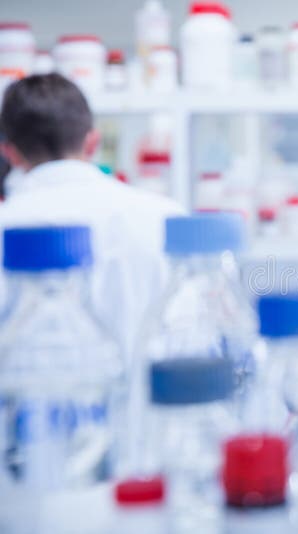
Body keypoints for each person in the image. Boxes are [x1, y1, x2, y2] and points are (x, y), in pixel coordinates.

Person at [0, 73, 185, 361]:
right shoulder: (167, 219)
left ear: (9, 153)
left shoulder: (7, 224)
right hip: (160, 403)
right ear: (92, 142)